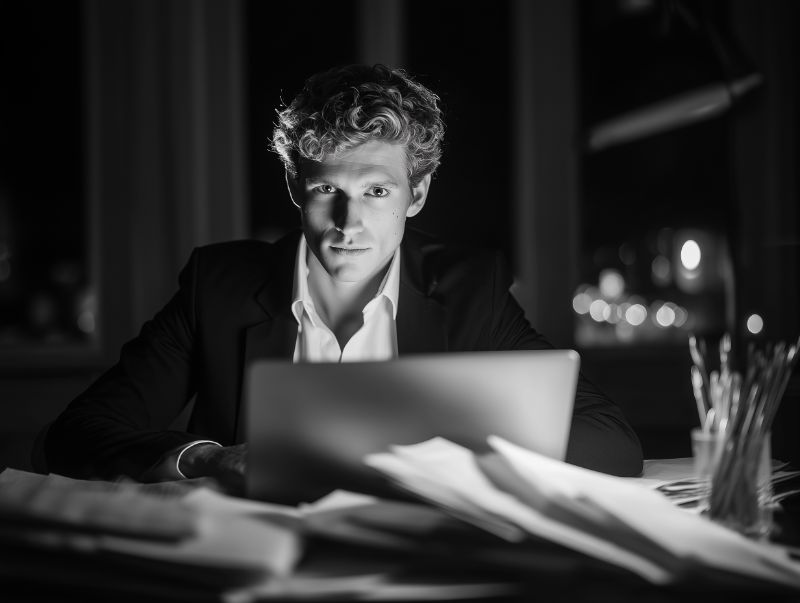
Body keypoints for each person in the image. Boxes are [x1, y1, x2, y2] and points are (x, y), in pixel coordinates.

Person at [44, 64, 643, 494]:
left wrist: (450, 460)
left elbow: (610, 439)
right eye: (326, 189)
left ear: (418, 194)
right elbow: (78, 433)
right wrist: (208, 460)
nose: (348, 223)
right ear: (294, 190)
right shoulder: (218, 285)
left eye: (377, 191)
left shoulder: (469, 286)